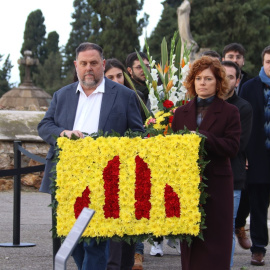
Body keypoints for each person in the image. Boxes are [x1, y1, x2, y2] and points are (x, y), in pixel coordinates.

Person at [38, 42, 144, 270]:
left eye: (94, 63)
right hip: (66, 178)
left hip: (104, 178)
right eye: (84, 63)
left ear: (103, 65)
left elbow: (138, 133)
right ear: (76, 65)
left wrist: (111, 148)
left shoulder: (124, 96)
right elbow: (44, 126)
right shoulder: (61, 95)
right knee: (71, 238)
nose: (89, 68)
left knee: (95, 241)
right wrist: (63, 133)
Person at [172, 56, 241, 270]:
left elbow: (232, 147)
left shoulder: (230, 112)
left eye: (208, 79)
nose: (202, 83)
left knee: (216, 242)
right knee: (191, 242)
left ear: (218, 82)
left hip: (218, 186)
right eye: (198, 78)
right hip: (188, 186)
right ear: (192, 82)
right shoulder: (181, 113)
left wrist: (203, 138)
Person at [104, 58, 140, 270]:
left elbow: (137, 130)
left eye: (120, 76)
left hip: (124, 170)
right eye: (111, 77)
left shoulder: (130, 97)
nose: (116, 80)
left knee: (122, 228)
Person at [240, 45, 270, 266]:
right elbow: (241, 124)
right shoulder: (249, 88)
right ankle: (258, 248)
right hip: (258, 155)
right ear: (263, 63)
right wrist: (245, 154)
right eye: (269, 62)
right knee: (258, 204)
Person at [221, 60, 253, 268]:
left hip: (232, 177)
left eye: (231, 76)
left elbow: (238, 144)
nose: (225, 79)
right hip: (202, 178)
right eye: (222, 75)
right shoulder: (201, 104)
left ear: (238, 80)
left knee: (226, 230)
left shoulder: (243, 108)